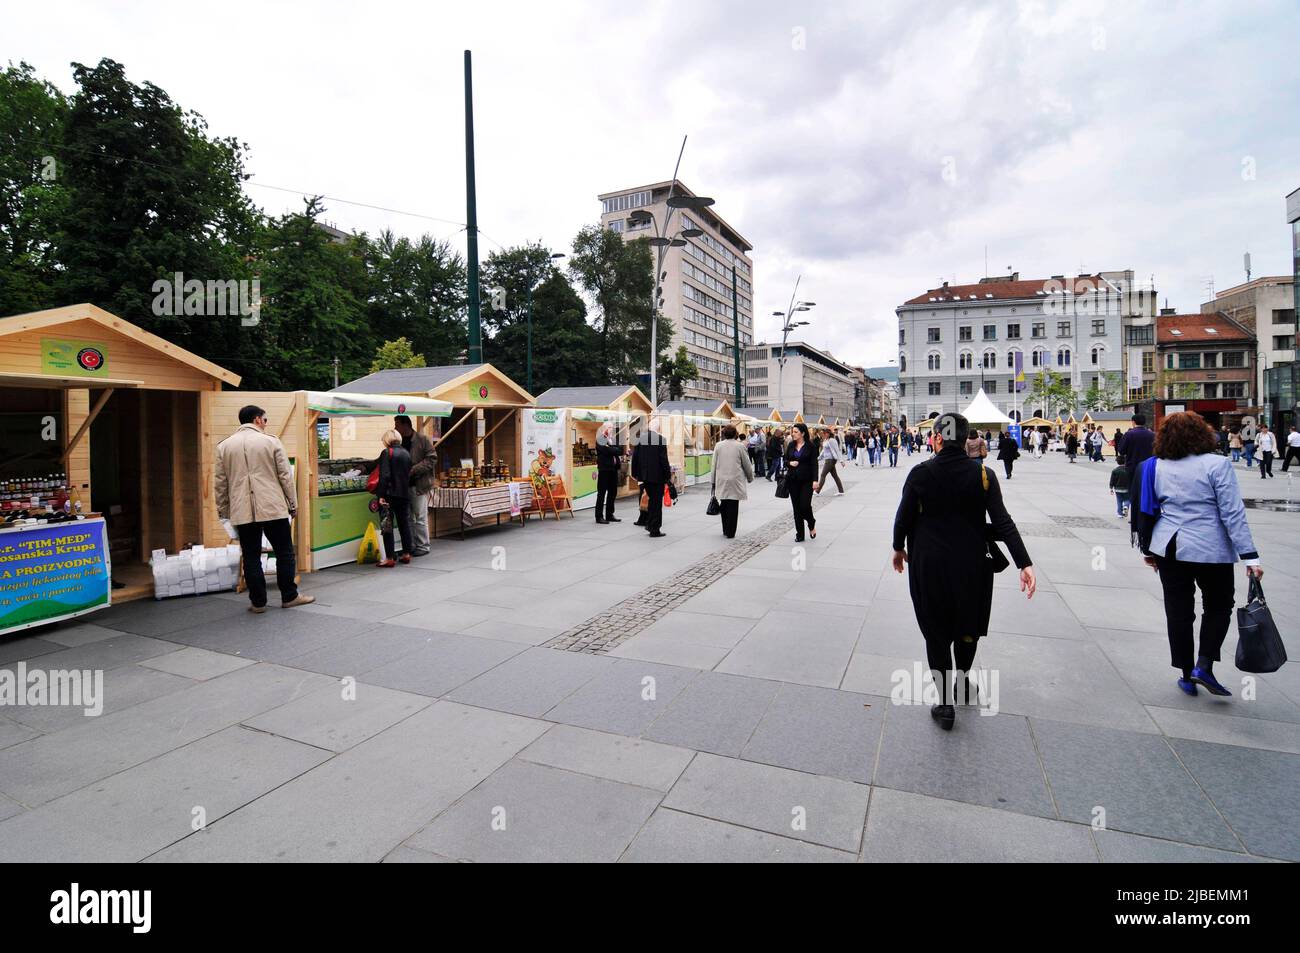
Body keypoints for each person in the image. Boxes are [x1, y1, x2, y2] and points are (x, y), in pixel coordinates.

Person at [892, 413, 1035, 730]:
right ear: (965, 439)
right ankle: (962, 679)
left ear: (938, 438)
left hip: (929, 564)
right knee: (967, 625)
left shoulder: (920, 474)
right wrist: (1024, 563)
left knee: (936, 629)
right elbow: (1002, 521)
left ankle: (944, 704)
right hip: (972, 564)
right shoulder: (984, 474)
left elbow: (903, 518)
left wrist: (898, 547)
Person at [1135, 412, 1262, 697]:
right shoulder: (1217, 464)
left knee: (1178, 611)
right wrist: (1250, 556)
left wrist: (1148, 548)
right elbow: (1232, 512)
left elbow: (1150, 508)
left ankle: (1185, 673)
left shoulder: (1156, 466)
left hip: (1169, 545)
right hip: (1210, 547)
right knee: (1218, 605)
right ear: (1202, 434)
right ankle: (1204, 664)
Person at [214, 405, 314, 613]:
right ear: (258, 420)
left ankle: (258, 602)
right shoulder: (271, 442)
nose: (266, 424)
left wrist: (224, 512)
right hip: (273, 507)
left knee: (250, 555)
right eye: (265, 420)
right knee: (284, 551)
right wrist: (292, 504)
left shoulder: (224, 447)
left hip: (241, 510)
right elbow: (285, 476)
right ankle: (289, 596)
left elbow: (220, 484)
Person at [394, 415, 435, 556]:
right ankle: (410, 546)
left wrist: (414, 469)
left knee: (420, 517)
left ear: (406, 425)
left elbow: (432, 459)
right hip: (403, 486)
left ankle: (423, 546)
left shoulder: (422, 440)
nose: (395, 428)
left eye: (397, 424)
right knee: (408, 518)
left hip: (419, 485)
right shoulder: (397, 442)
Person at [375, 429, 414, 568]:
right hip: (404, 494)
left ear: (387, 440)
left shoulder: (387, 453)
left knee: (387, 526)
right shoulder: (406, 453)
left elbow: (384, 476)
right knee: (404, 524)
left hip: (389, 495)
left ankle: (390, 558)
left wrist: (380, 495)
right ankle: (407, 554)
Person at [631, 420, 671, 538]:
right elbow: (663, 460)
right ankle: (654, 529)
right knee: (656, 503)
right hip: (657, 478)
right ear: (658, 428)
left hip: (644, 477)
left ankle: (649, 524)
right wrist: (667, 476)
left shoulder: (640, 439)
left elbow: (635, 458)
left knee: (650, 501)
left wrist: (635, 474)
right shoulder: (661, 440)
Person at [712, 425, 754, 539]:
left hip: (722, 480)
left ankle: (725, 529)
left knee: (724, 504)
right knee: (733, 506)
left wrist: (713, 481)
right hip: (735, 480)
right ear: (735, 433)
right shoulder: (740, 446)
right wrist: (750, 477)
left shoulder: (718, 446)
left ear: (724, 434)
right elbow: (747, 464)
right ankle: (731, 531)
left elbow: (714, 465)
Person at [785, 423, 819, 542]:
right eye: (792, 432)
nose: (793, 434)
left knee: (804, 506)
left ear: (803, 433)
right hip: (793, 480)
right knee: (796, 509)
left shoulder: (811, 446)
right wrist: (790, 463)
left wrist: (815, 480)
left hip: (807, 481)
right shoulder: (790, 445)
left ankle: (811, 523)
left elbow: (814, 464)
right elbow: (785, 460)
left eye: (795, 432)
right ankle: (800, 534)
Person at [594, 422, 625, 524]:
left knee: (613, 492)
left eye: (612, 427)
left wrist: (611, 448)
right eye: (609, 427)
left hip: (613, 469)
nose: (611, 429)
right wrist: (612, 449)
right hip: (604, 470)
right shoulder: (600, 439)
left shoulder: (613, 439)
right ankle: (599, 516)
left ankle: (609, 514)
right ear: (604, 428)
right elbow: (607, 451)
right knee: (602, 493)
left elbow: (621, 450)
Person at [816, 428, 845, 494]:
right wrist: (819, 458)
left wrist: (841, 461)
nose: (824, 434)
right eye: (823, 433)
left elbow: (837, 450)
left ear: (829, 434)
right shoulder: (826, 440)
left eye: (825, 433)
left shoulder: (832, 440)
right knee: (835, 476)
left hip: (831, 460)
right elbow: (823, 451)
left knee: (823, 474)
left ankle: (817, 491)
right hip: (827, 459)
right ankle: (841, 491)